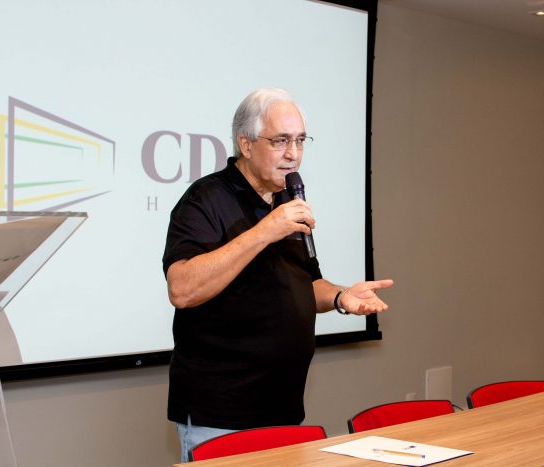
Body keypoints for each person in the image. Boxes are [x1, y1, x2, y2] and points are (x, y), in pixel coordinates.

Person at [162, 87, 393, 462]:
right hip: (221, 415)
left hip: (283, 408)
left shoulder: (288, 200)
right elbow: (182, 289)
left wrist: (341, 297)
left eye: (300, 140)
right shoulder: (205, 199)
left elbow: (307, 283)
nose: (293, 154)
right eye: (281, 141)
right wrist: (265, 231)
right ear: (246, 144)